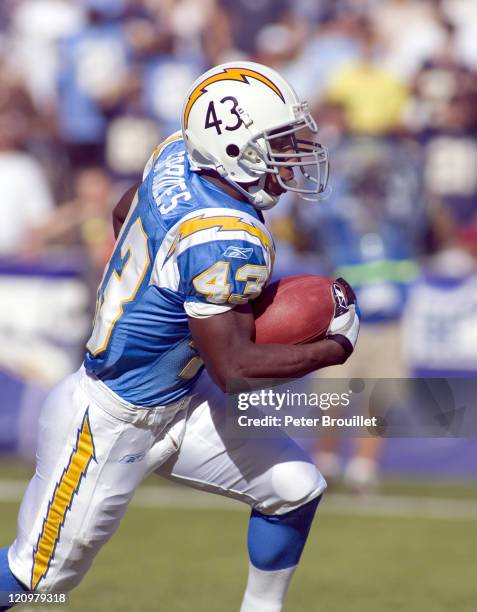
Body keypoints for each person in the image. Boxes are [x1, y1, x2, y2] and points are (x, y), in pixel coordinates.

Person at [0, 61, 360, 612]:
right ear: (234, 149)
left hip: (178, 400)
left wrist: (157, 293)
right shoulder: (227, 236)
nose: (291, 155)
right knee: (36, 584)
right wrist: (333, 346)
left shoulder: (177, 153)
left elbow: (126, 211)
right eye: (278, 142)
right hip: (111, 420)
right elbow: (234, 370)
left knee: (294, 488)